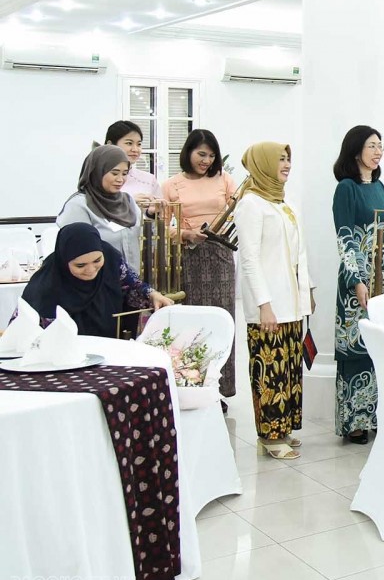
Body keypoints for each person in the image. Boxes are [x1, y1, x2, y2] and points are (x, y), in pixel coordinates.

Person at [332, 125, 384, 444]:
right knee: (356, 347)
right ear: (355, 151)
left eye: (381, 146)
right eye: (372, 146)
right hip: (356, 280)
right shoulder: (346, 188)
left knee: (379, 346)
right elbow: (345, 236)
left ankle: (376, 414)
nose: (379, 151)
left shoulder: (380, 189)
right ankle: (354, 422)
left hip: (380, 276)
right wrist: (357, 280)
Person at [236, 142, 314, 460]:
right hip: (268, 304)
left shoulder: (284, 204)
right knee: (269, 368)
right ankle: (269, 436)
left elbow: (301, 253)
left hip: (291, 301)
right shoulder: (251, 204)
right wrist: (263, 304)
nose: (286, 165)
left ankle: (281, 428)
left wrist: (307, 290)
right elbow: (250, 259)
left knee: (289, 368)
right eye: (279, 160)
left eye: (288, 159)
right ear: (263, 164)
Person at [162, 129, 239, 398]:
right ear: (188, 153)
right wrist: (185, 234)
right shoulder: (172, 185)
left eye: (211, 155)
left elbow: (237, 214)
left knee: (223, 321)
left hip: (221, 257)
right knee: (194, 325)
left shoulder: (225, 179)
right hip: (189, 257)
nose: (206, 160)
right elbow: (162, 228)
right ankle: (193, 389)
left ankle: (221, 390)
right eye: (201, 154)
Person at [19, 223, 172, 337]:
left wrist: (153, 295)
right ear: (64, 262)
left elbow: (132, 285)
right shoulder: (45, 286)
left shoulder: (111, 259)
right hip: (63, 359)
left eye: (97, 260)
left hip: (111, 348)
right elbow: (25, 330)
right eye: (80, 265)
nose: (91, 270)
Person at [57, 146, 143, 270]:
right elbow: (78, 252)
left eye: (125, 174)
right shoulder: (79, 205)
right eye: (114, 173)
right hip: (97, 283)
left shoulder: (128, 201)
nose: (120, 179)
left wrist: (153, 215)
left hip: (131, 282)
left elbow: (145, 235)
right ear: (97, 171)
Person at [104, 120, 160, 209]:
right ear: (110, 144)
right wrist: (128, 203)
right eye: (129, 143)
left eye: (139, 144)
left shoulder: (149, 179)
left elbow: (157, 217)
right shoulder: (99, 177)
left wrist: (152, 212)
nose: (135, 149)